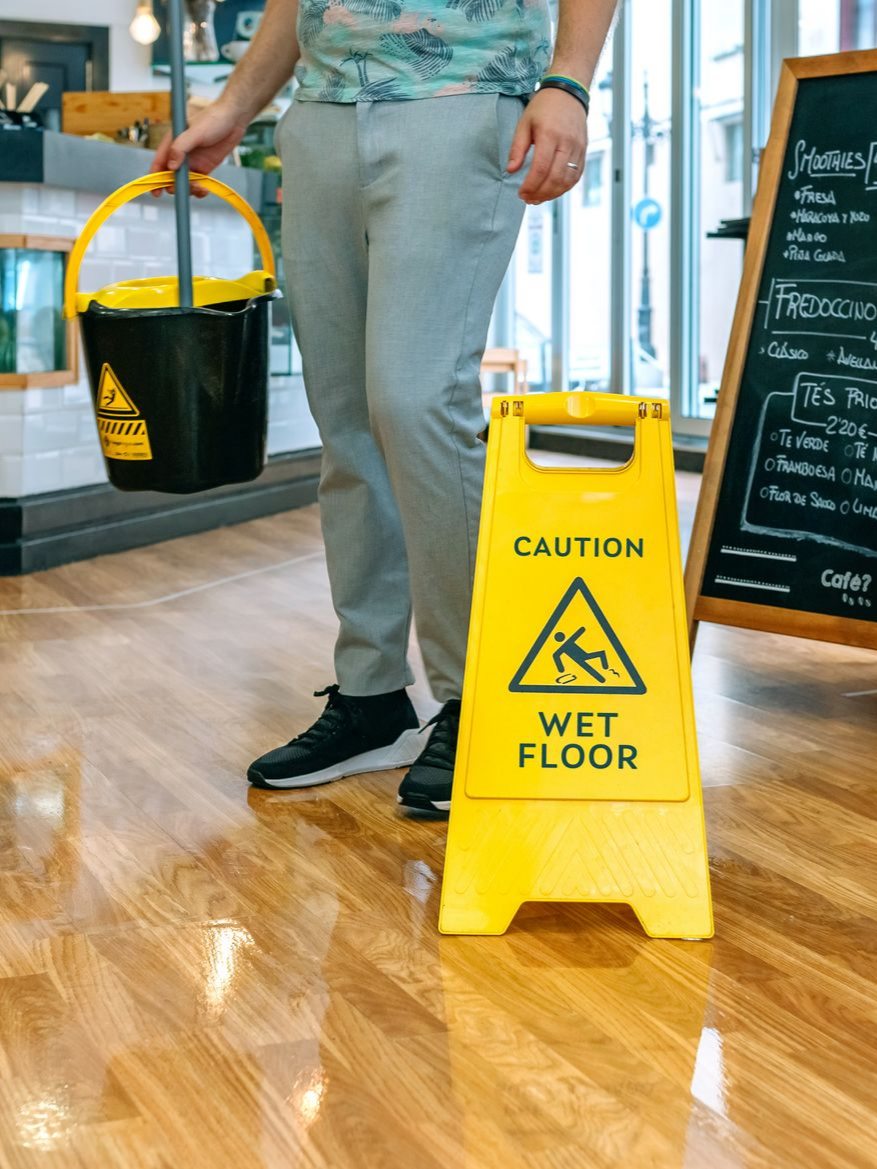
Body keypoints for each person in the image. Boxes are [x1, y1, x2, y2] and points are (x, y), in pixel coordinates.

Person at [153, 0, 618, 811]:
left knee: (413, 398)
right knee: (345, 419)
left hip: (465, 101)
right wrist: (234, 108)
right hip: (322, 117)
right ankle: (370, 693)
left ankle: (482, 700)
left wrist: (568, 80)